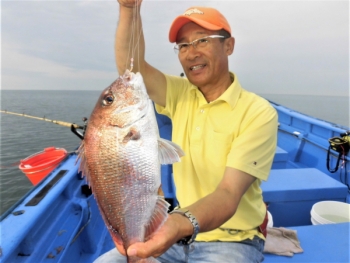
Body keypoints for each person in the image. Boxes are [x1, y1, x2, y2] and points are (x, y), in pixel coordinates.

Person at [95, 1, 278, 262]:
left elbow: (228, 194)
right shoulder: (181, 94)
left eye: (202, 40)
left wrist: (177, 224)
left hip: (232, 238)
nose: (191, 53)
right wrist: (128, 9)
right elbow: (131, 69)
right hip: (176, 235)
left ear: (229, 45)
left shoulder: (258, 112)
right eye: (183, 45)